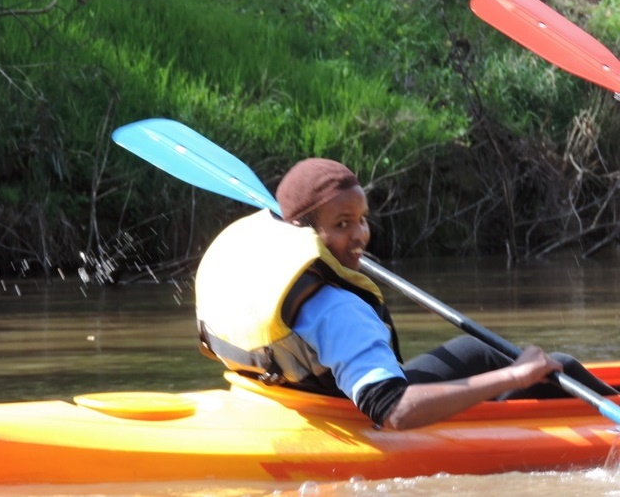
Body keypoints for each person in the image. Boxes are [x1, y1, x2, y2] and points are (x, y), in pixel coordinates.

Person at [195, 157, 617, 430]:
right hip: (353, 415)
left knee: (480, 350)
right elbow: (393, 409)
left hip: (296, 399)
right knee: (553, 367)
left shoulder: (278, 269)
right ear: (303, 232)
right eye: (342, 225)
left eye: (361, 220)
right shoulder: (339, 310)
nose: (360, 234)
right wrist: (515, 377)